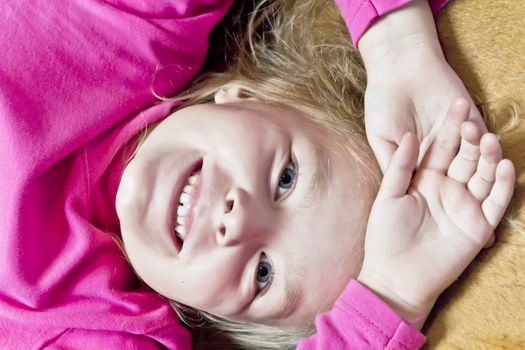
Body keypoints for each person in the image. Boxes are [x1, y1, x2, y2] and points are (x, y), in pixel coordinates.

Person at [0, 1, 514, 350]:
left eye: (262, 275)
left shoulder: (90, 326)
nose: (237, 221)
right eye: (286, 178)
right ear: (247, 98)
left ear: (201, 312)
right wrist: (399, 50)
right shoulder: (141, 24)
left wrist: (393, 294)